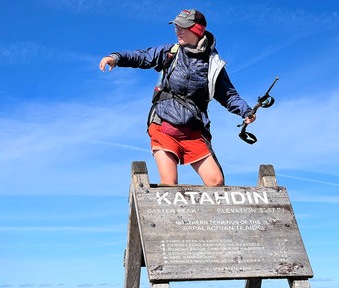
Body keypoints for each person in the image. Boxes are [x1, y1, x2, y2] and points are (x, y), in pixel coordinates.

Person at [99, 9, 256, 186]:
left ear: (197, 30)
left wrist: (245, 111)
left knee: (216, 182)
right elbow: (142, 56)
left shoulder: (213, 63)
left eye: (183, 27)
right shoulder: (170, 51)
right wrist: (116, 58)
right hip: (164, 124)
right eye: (176, 27)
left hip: (194, 129)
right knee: (169, 184)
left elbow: (228, 94)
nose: (178, 31)